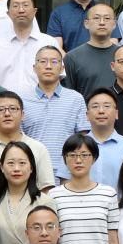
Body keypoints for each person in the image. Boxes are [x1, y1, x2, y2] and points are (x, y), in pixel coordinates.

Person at [0, 91, 56, 202]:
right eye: (1, 110)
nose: (7, 114)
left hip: (30, 211)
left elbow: (46, 189)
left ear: (22, 115)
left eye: (13, 109)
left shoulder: (38, 148)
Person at [21, 45, 90, 180]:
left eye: (54, 62)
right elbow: (19, 138)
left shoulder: (75, 99)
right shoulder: (22, 100)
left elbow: (83, 138)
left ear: (62, 68)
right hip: (32, 174)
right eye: (43, 61)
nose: (48, 66)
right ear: (34, 68)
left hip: (67, 174)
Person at [0, 141, 58, 244]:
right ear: (2, 167)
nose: (16, 168)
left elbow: (52, 241)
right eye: (11, 163)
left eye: (22, 163)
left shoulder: (45, 202)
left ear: (31, 167)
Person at [0, 0, 62, 95]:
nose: (21, 10)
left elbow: (58, 78)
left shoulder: (49, 42)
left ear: (35, 11)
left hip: (42, 102)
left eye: (25, 5)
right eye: (15, 6)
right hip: (6, 103)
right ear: (8, 13)